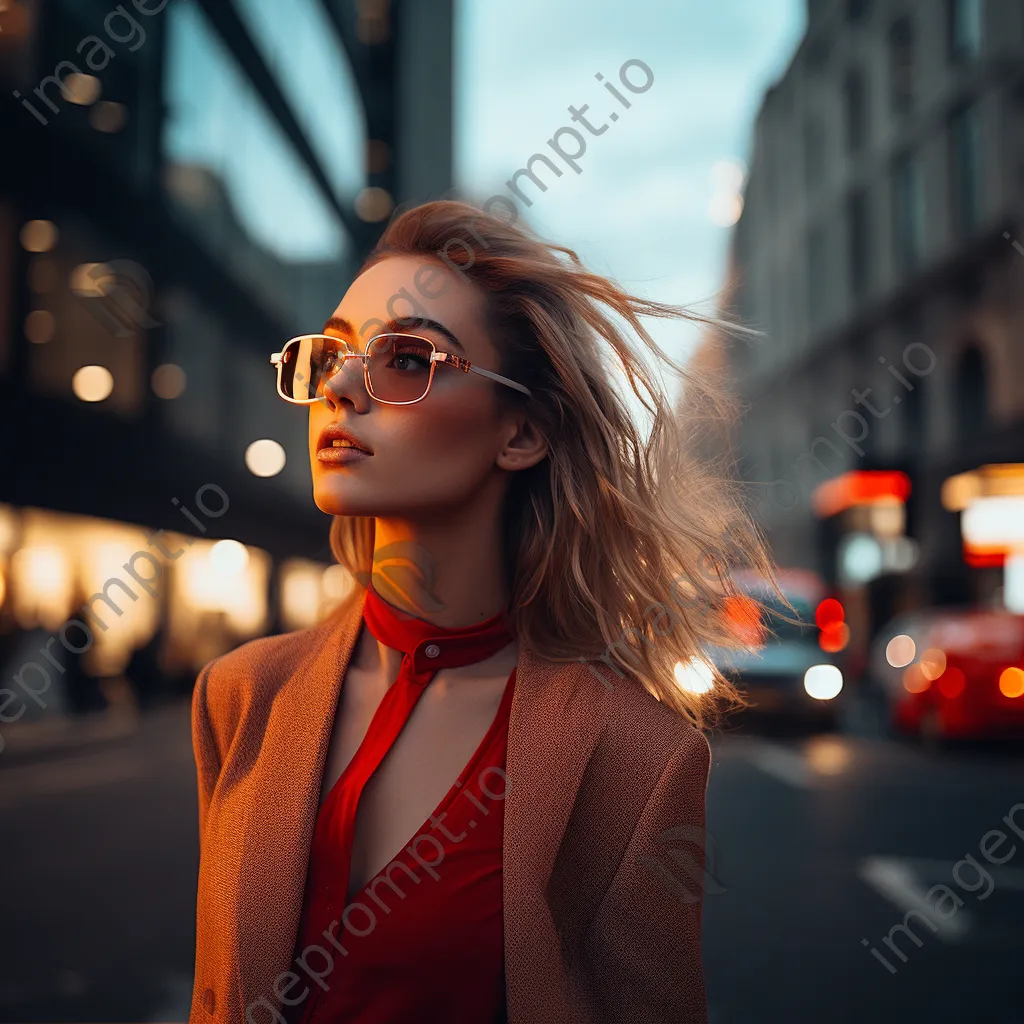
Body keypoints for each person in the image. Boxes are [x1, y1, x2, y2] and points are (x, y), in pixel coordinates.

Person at [188, 199, 774, 1023]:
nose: (342, 386)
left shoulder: (636, 758)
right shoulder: (242, 695)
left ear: (522, 434)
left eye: (406, 358)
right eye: (330, 354)